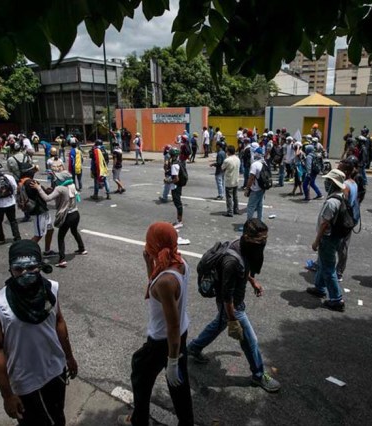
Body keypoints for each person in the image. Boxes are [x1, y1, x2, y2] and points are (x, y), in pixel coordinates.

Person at [0, 240, 77, 425]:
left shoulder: (51, 289)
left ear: (40, 266)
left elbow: (59, 321)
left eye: (31, 267)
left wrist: (69, 357)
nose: (25, 274)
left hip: (55, 370)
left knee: (58, 418)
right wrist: (7, 395)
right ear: (10, 269)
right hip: (26, 381)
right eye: (19, 269)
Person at [187, 219, 280, 393]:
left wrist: (252, 281)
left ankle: (194, 347)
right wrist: (232, 320)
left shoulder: (243, 247)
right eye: (260, 239)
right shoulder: (231, 261)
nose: (264, 243)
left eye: (265, 238)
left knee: (218, 325)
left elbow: (243, 269)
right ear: (247, 236)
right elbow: (225, 297)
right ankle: (259, 375)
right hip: (232, 306)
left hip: (233, 303)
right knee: (250, 340)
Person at [117, 222, 194, 426]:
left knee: (140, 373)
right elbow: (158, 292)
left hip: (164, 340)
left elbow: (172, 325)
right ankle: (186, 422)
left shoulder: (165, 281)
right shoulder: (180, 263)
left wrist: (173, 360)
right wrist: (149, 264)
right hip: (180, 335)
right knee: (179, 384)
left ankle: (139, 420)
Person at [306, 169, 347, 312]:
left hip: (328, 238)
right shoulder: (342, 197)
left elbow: (325, 224)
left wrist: (316, 241)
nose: (325, 183)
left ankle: (337, 299)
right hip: (336, 237)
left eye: (328, 181)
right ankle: (319, 288)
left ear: (333, 184)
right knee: (323, 264)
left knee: (329, 269)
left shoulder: (332, 202)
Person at [30, 172, 86, 268]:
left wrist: (38, 188)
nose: (55, 180)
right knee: (74, 231)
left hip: (67, 216)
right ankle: (82, 249)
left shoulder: (60, 188)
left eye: (57, 178)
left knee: (61, 237)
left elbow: (47, 198)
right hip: (76, 214)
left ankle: (62, 260)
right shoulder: (71, 185)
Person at [336, 157, 361, 282]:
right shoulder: (353, 182)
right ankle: (339, 270)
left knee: (341, 246)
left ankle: (338, 271)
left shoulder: (345, 185)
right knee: (343, 246)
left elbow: (342, 204)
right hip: (351, 218)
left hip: (344, 220)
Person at [245, 144, 268, 221]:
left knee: (251, 206)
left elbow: (251, 178)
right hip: (262, 188)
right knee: (260, 206)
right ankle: (259, 222)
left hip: (255, 189)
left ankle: (249, 225)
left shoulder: (255, 165)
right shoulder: (264, 163)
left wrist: (247, 189)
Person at [221, 145, 241, 217]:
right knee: (235, 196)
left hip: (229, 181)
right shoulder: (237, 159)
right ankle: (236, 209)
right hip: (236, 180)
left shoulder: (227, 160)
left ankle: (230, 211)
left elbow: (222, 168)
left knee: (229, 197)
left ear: (228, 152)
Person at [168, 147, 184, 228]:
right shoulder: (178, 162)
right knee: (178, 203)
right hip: (178, 186)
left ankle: (180, 221)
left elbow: (176, 178)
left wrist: (168, 181)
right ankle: (178, 220)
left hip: (175, 186)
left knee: (178, 203)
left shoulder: (174, 165)